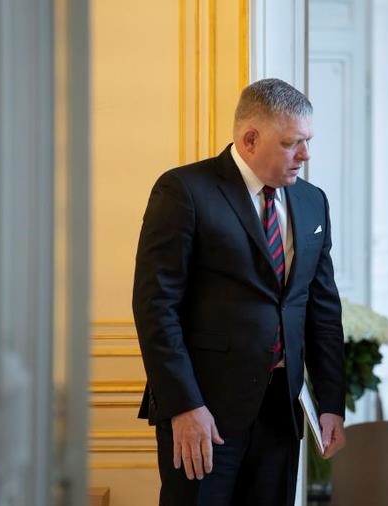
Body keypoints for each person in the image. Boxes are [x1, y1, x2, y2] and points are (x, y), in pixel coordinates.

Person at [132, 78, 346, 506]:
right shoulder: (184, 191)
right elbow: (156, 306)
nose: (305, 154)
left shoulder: (312, 202)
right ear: (250, 139)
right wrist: (184, 406)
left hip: (280, 414)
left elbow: (321, 309)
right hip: (204, 413)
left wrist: (331, 402)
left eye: (307, 141)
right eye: (292, 143)